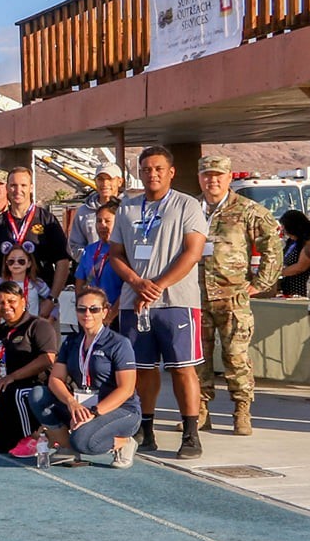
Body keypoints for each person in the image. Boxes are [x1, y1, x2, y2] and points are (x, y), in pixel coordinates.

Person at [108, 146, 210, 459]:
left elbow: (192, 252)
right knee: (141, 369)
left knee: (182, 368)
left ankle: (191, 432)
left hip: (176, 301)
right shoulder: (127, 208)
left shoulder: (186, 204)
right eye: (147, 169)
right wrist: (137, 283)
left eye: (158, 169)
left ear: (171, 172)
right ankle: (145, 429)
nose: (152, 174)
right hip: (134, 302)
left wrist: (158, 285)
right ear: (139, 172)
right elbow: (115, 253)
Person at [193, 157, 283, 434]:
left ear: (230, 177)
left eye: (219, 175)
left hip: (233, 298)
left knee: (236, 357)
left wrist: (260, 283)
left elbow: (272, 246)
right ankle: (200, 411)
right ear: (200, 178)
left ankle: (242, 410)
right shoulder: (190, 209)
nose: (213, 181)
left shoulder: (248, 210)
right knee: (197, 360)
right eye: (207, 175)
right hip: (195, 297)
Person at [36, 293, 141, 467]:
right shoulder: (71, 341)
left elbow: (126, 390)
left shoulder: (119, 343)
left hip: (121, 410)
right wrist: (71, 403)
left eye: (94, 309)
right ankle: (67, 448)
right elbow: (55, 379)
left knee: (83, 441)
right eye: (82, 309)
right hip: (84, 405)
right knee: (38, 396)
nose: (87, 314)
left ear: (105, 312)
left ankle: (124, 442)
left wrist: (93, 413)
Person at [0, 279, 62, 458]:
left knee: (16, 391)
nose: (5, 306)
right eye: (0, 302)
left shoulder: (38, 326)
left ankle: (33, 436)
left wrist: (13, 376)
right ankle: (19, 436)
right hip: (7, 393)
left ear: (23, 301)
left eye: (11, 301)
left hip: (36, 389)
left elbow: (48, 359)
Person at [0, 167, 72, 308]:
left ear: (31, 187)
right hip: (7, 303)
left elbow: (63, 261)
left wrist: (52, 299)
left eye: (23, 185)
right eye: (13, 185)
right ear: (7, 188)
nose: (18, 190)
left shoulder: (46, 220)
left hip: (42, 299)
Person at [74, 201, 125, 312]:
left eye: (107, 221)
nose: (102, 225)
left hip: (117, 312)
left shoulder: (125, 250)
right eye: (98, 221)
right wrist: (81, 308)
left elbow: (128, 288)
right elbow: (80, 281)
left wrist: (112, 314)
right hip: (91, 313)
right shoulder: (90, 250)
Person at [274, 210, 310, 298]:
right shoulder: (291, 242)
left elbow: (300, 267)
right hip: (291, 290)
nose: (283, 230)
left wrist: (276, 273)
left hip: (307, 290)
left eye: (284, 227)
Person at [0, 248, 52, 321]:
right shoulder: (1, 282)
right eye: (11, 261)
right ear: (6, 263)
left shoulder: (37, 283)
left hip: (30, 327)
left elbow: (53, 300)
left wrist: (52, 317)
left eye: (21, 261)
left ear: (29, 263)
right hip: (7, 327)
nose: (16, 264)